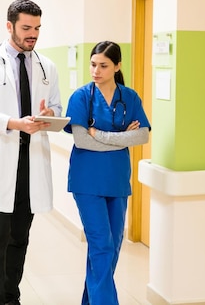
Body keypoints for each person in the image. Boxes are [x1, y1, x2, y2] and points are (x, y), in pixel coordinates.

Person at [0, 0, 62, 305]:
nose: (32, 34)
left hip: (30, 163)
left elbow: (57, 107)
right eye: (26, 28)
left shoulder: (47, 66)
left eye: (37, 28)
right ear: (9, 26)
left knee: (20, 236)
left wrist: (49, 115)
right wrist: (14, 123)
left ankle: (11, 296)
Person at [64, 41, 151, 305]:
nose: (96, 71)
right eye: (93, 65)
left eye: (103, 65)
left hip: (116, 180)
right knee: (101, 244)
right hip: (87, 181)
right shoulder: (81, 97)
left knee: (112, 247)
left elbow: (142, 136)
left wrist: (102, 135)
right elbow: (81, 140)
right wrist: (122, 137)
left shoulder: (130, 97)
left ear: (117, 66)